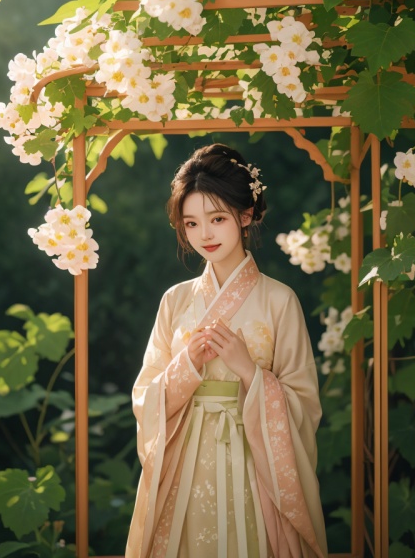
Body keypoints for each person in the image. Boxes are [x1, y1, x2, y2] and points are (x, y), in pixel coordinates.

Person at [125, 143, 328, 558]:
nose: (205, 234)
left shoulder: (280, 300)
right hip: (186, 459)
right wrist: (188, 365)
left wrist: (249, 372)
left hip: (256, 461)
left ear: (246, 215)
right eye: (192, 223)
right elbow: (145, 396)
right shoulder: (175, 301)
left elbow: (304, 404)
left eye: (217, 219)